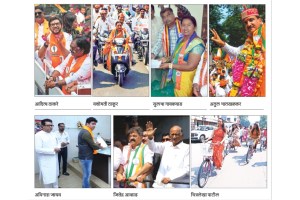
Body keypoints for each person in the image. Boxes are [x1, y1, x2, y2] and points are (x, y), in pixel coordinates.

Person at [211, 6, 265, 97]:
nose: (248, 24)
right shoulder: (248, 43)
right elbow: (237, 51)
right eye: (245, 22)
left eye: (251, 20)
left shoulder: (266, 34)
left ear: (260, 20)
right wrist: (222, 44)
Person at [159, 16, 205, 96]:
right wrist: (166, 59)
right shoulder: (181, 39)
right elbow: (174, 57)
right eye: (183, 25)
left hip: (185, 83)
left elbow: (191, 66)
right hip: (174, 79)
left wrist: (169, 65)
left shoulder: (197, 44)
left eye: (189, 25)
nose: (185, 28)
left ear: (194, 27)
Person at [146, 122, 189, 188]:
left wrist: (170, 178)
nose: (174, 137)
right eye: (172, 134)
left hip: (177, 186)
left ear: (182, 136)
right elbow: (153, 148)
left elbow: (187, 169)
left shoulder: (187, 148)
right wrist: (150, 137)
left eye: (176, 134)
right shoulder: (166, 145)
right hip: (160, 185)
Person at [77, 117, 102, 188]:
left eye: (95, 124)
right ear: (87, 124)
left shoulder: (85, 131)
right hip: (86, 157)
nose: (94, 125)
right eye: (92, 124)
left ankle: (84, 186)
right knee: (87, 175)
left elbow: (89, 143)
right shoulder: (86, 133)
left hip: (85, 156)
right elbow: (94, 146)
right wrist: (99, 146)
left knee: (86, 174)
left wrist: (95, 144)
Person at [35, 119, 60, 188]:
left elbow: (58, 143)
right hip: (45, 161)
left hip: (54, 160)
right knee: (47, 179)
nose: (51, 127)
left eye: (51, 125)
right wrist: (53, 150)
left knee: (55, 178)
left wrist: (58, 147)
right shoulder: (38, 135)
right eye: (48, 125)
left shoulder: (53, 134)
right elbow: (38, 149)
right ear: (42, 126)